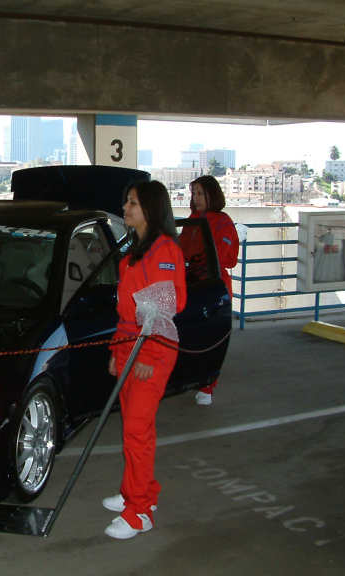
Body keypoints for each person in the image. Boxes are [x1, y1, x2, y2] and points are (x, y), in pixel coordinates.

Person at [103, 180, 186, 540]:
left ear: (150, 209)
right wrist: (115, 349)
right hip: (128, 344)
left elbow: (164, 309)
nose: (125, 208)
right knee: (135, 429)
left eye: (132, 203)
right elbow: (126, 310)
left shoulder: (164, 251)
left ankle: (139, 513)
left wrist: (148, 354)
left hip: (151, 349)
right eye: (126, 202)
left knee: (137, 431)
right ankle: (138, 492)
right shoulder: (135, 250)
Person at [178, 175, 239, 405]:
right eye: (194, 193)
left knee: (212, 337)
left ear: (212, 195)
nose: (196, 198)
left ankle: (207, 386)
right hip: (190, 284)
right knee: (189, 336)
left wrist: (196, 262)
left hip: (213, 285)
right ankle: (193, 377)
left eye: (201, 193)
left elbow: (226, 257)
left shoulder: (223, 222)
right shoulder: (192, 220)